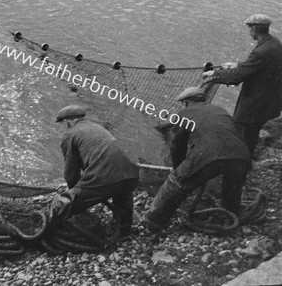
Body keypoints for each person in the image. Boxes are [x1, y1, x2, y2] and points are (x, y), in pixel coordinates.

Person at [143, 87, 250, 233]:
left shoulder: (184, 113)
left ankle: (152, 222)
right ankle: (230, 212)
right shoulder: (219, 110)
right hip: (242, 156)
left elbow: (176, 145)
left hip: (210, 155)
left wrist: (178, 168)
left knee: (176, 182)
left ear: (187, 102)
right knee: (233, 183)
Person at [54, 105, 139, 238]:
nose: (62, 127)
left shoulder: (69, 135)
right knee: (123, 196)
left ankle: (50, 231)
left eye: (61, 124)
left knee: (67, 204)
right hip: (130, 174)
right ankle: (124, 232)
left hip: (106, 178)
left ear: (68, 121)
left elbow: (71, 173)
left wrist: (73, 192)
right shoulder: (97, 127)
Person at [203, 14, 282, 156]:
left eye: (249, 28)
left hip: (256, 103)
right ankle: (245, 158)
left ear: (254, 29)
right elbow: (256, 66)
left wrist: (214, 75)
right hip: (270, 100)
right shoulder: (274, 43)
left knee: (243, 131)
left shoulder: (261, 51)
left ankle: (241, 164)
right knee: (252, 133)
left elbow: (239, 76)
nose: (248, 31)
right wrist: (237, 65)